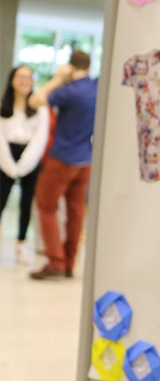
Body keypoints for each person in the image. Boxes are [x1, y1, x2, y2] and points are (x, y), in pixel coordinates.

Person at [27, 50, 98, 280]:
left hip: (63, 158)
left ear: (70, 66)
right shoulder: (95, 89)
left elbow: (34, 100)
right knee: (76, 211)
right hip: (85, 160)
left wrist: (58, 79)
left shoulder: (69, 91)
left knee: (46, 206)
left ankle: (55, 260)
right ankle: (69, 262)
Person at [0, 66, 49, 263]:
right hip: (5, 156)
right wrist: (9, 165)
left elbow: (40, 137)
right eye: (20, 77)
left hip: (30, 156)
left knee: (26, 202)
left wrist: (25, 164)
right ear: (12, 80)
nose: (24, 81)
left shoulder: (40, 108)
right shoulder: (4, 106)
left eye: (29, 77)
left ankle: (21, 244)